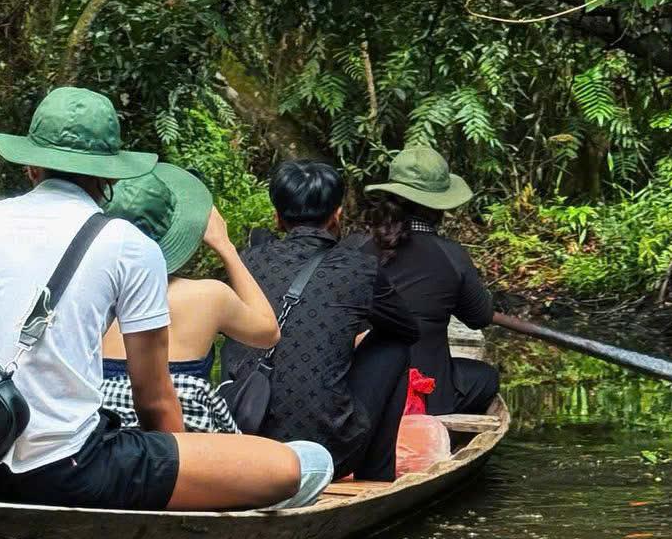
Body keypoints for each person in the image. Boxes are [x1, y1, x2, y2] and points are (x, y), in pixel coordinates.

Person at [0, 88, 332, 513]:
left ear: (31, 166)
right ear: (110, 179)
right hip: (69, 469)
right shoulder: (128, 245)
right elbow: (154, 399)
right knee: (305, 462)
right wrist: (178, 476)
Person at [220, 158, 419, 481]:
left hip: (243, 434)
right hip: (327, 450)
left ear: (278, 217)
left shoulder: (246, 263)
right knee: (394, 346)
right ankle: (377, 478)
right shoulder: (359, 268)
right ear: (336, 215)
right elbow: (407, 329)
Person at [99, 164, 280, 432]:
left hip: (104, 442)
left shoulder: (89, 294)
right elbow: (269, 332)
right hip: (184, 447)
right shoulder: (209, 296)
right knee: (310, 456)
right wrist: (225, 247)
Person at [364, 142, 500, 414]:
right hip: (427, 390)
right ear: (438, 207)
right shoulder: (451, 256)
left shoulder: (353, 249)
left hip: (361, 386)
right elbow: (480, 317)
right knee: (487, 377)